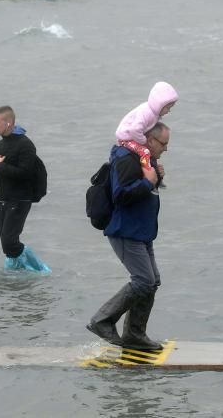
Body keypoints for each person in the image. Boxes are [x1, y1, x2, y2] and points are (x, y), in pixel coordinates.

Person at [87, 123, 171, 351]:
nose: (166, 149)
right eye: (163, 143)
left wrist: (157, 179)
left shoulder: (144, 157)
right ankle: (102, 320)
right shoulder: (126, 158)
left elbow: (146, 188)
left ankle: (135, 334)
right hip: (125, 231)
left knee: (152, 281)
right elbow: (120, 195)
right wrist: (148, 182)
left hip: (141, 232)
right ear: (150, 140)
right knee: (143, 280)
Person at [0, 106, 49, 273]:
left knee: (10, 242)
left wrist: (2, 167)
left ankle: (40, 270)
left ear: (8, 122)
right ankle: (17, 273)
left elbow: (25, 174)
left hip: (19, 200)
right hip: (2, 199)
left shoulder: (25, 145)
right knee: (6, 244)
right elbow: (0, 175)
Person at [115, 81, 178, 169]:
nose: (169, 111)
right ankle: (148, 170)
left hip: (133, 137)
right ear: (159, 104)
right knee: (145, 151)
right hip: (125, 139)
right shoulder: (146, 113)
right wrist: (143, 141)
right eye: (167, 107)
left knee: (147, 151)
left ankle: (151, 167)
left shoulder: (154, 114)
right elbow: (134, 129)